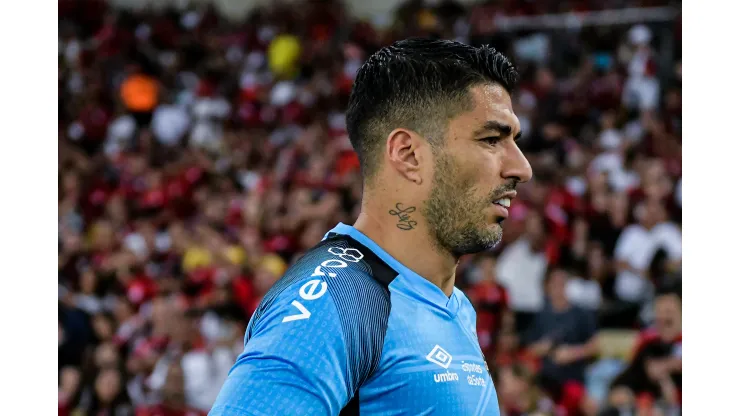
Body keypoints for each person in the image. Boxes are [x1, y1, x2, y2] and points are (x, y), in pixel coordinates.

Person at [209, 38, 532, 415]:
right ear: (408, 155)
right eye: (492, 139)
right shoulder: (336, 304)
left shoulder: (449, 301)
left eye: (514, 140)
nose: (522, 168)